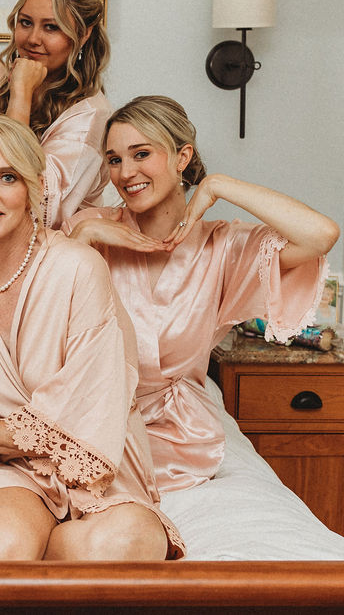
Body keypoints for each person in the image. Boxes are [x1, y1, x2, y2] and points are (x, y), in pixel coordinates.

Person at [0, 114, 184, 560]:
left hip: (94, 463)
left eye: (7, 177)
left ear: (34, 187)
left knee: (128, 542)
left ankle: (37, 554)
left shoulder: (78, 268)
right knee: (5, 541)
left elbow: (80, 419)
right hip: (7, 470)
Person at [65, 96, 338, 492]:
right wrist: (83, 239)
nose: (126, 173)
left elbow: (321, 235)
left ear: (182, 157)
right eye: (114, 159)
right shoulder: (89, 228)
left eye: (141, 153)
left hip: (178, 440)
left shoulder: (224, 248)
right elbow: (44, 319)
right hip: (92, 422)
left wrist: (218, 185)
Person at [0, 0, 112, 232]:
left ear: (83, 34)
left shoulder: (91, 116)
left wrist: (21, 94)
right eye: (25, 23)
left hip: (39, 258)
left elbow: (26, 205)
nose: (33, 39)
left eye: (51, 27)